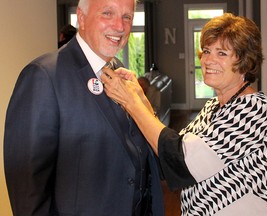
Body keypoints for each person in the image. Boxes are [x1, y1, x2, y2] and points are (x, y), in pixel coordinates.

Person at [101, 13, 267, 215]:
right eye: (206, 51)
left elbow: (182, 162)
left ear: (244, 62)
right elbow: (171, 151)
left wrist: (132, 103)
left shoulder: (254, 109)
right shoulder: (213, 106)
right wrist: (140, 96)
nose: (208, 60)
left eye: (221, 53)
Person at [4, 0, 164, 215]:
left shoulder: (121, 71)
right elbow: (28, 186)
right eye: (107, 13)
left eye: (127, 17)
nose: (119, 26)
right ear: (81, 17)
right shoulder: (44, 76)